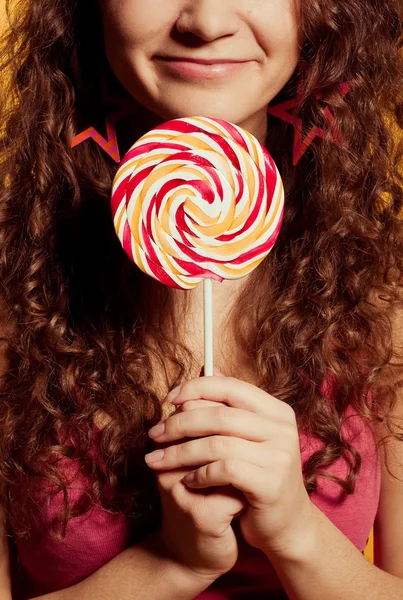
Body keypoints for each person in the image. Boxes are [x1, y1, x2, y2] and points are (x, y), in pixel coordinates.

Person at [0, 0, 402, 598]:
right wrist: (171, 563)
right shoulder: (11, 290)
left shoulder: (382, 293)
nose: (207, 22)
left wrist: (297, 534)